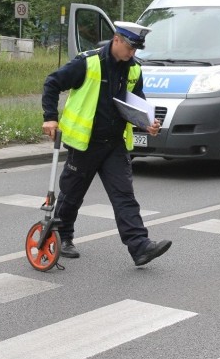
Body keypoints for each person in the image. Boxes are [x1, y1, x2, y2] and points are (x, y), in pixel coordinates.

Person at [41, 21, 171, 267]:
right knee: (71, 195)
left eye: (136, 50)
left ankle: (140, 246)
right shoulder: (87, 62)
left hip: (114, 144)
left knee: (124, 196)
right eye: (130, 48)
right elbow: (52, 83)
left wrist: (148, 122)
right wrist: (49, 117)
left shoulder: (133, 69)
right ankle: (62, 237)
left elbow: (136, 102)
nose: (132, 54)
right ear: (117, 39)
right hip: (85, 144)